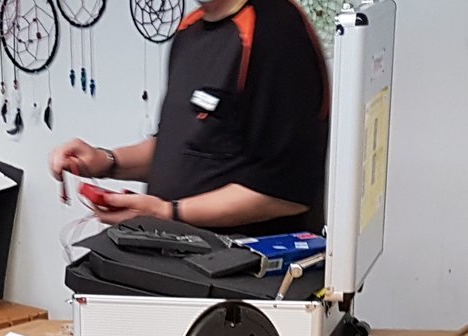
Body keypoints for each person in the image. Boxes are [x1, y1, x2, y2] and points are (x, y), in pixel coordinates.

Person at [49, 0, 330, 237]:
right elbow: (180, 150)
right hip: (178, 259)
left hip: (247, 271)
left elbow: (288, 193)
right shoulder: (190, 30)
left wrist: (168, 213)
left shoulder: (276, 30)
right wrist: (106, 161)